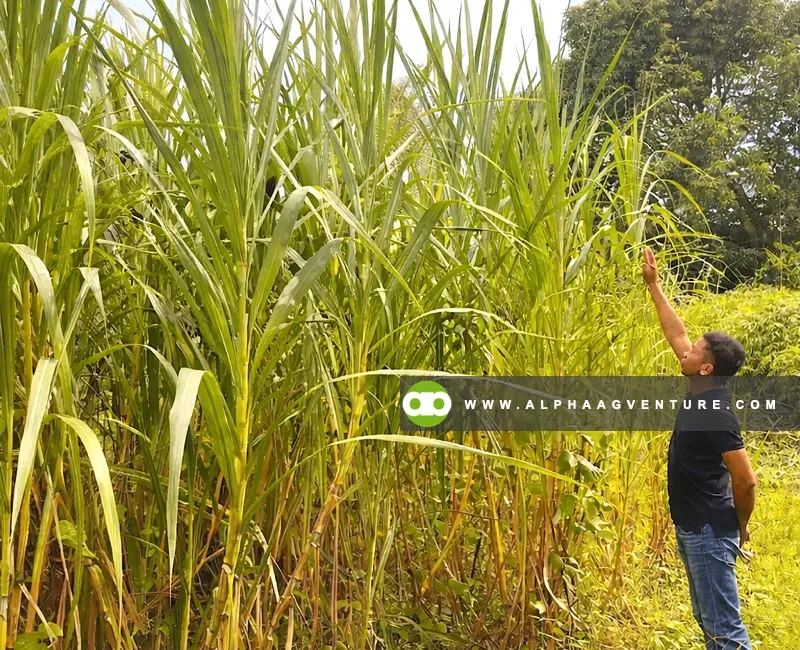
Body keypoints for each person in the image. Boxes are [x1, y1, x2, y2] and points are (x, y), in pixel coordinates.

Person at [642, 247, 757, 650]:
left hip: (709, 529)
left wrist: (740, 525)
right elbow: (676, 333)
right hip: (696, 526)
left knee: (724, 630)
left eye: (694, 351)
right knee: (709, 621)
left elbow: (746, 478)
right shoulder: (702, 385)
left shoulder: (715, 412)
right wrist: (655, 286)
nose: (685, 350)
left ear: (706, 367)